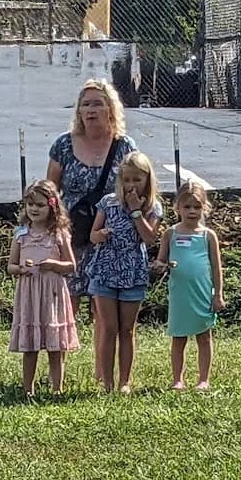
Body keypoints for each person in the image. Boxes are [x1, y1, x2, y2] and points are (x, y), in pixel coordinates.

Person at [46, 78, 137, 380]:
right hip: (72, 237)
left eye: (97, 103)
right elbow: (50, 192)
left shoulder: (124, 146)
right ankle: (57, 373)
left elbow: (135, 186)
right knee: (65, 305)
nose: (90, 110)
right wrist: (49, 231)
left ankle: (102, 373)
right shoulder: (63, 145)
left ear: (111, 108)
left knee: (103, 310)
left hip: (110, 242)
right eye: (85, 104)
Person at [87, 151, 162, 394]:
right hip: (105, 270)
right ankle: (107, 382)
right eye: (126, 179)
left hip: (133, 271)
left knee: (127, 329)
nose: (131, 185)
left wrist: (136, 211)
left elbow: (149, 238)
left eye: (137, 180)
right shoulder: (108, 202)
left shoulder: (153, 207)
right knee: (109, 327)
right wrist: (100, 235)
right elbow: (92, 234)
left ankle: (125, 381)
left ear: (147, 180)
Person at [8, 180, 80, 397]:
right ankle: (27, 389)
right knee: (30, 345)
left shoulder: (58, 234)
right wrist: (21, 269)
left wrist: (54, 265)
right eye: (30, 204)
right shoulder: (21, 234)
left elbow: (71, 265)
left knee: (55, 345)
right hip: (30, 293)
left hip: (52, 293)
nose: (34, 209)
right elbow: (11, 265)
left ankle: (57, 388)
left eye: (40, 205)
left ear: (51, 206)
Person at [152, 180, 225, 391]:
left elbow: (216, 267)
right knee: (179, 337)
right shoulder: (171, 233)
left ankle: (203, 379)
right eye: (187, 206)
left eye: (197, 206)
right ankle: (178, 379)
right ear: (177, 208)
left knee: (204, 336)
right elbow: (161, 261)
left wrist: (218, 294)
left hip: (202, 292)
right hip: (180, 294)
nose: (192, 211)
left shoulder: (208, 235)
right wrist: (160, 266)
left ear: (204, 208)